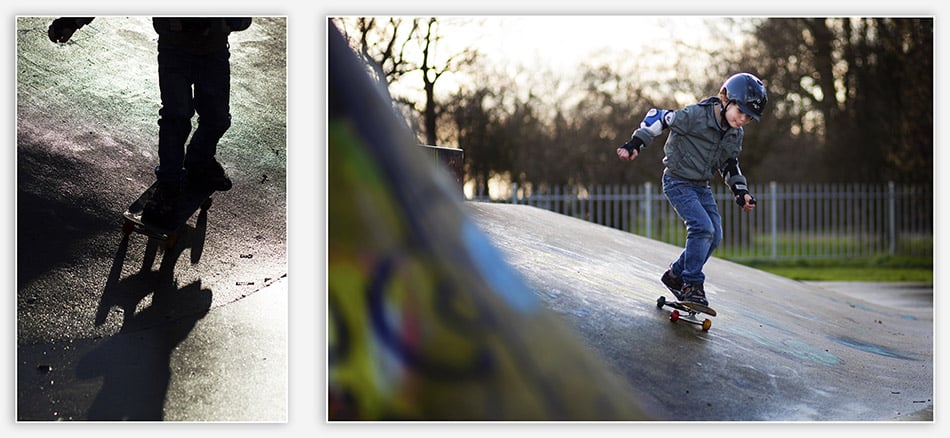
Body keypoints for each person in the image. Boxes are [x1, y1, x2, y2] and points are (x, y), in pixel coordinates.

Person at [48, 17, 252, 229]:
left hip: (213, 52)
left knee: (217, 118)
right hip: (174, 51)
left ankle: (200, 159)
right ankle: (168, 186)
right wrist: (73, 20)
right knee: (175, 117)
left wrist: (236, 19)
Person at [616, 73, 767, 306]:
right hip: (677, 181)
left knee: (715, 235)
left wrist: (741, 191)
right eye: (740, 112)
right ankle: (692, 283)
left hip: (701, 186)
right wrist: (636, 143)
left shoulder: (735, 133)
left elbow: (729, 163)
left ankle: (676, 275)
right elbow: (659, 117)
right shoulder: (696, 115)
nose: (742, 120)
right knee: (702, 228)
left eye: (748, 117)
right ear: (726, 98)